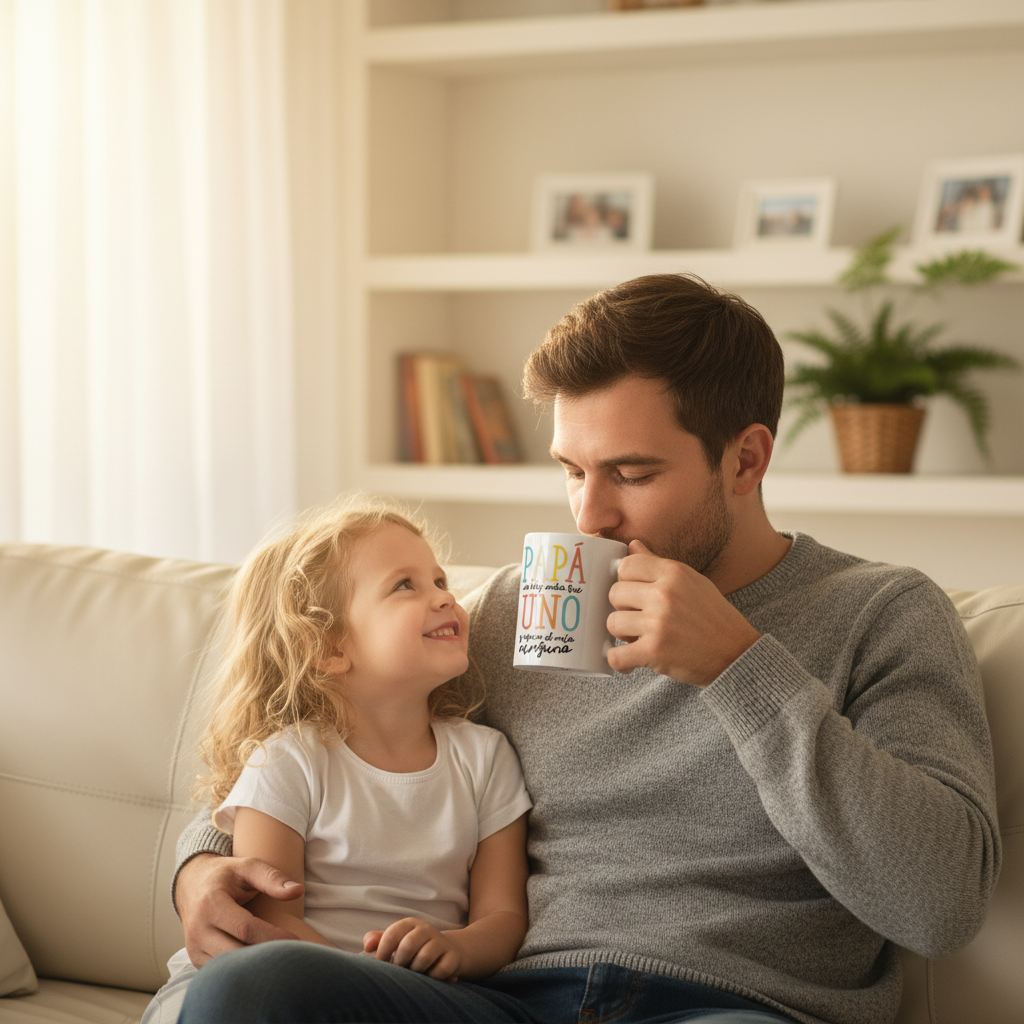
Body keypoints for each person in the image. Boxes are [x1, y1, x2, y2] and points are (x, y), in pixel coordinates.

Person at [172, 274, 1000, 1024]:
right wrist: (205, 872)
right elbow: (328, 729)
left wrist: (740, 667)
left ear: (744, 459)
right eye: (573, 469)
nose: (589, 517)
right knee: (248, 991)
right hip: (504, 1001)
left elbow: (940, 903)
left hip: (732, 1006)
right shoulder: (518, 609)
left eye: (632, 475)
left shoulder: (880, 614)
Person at [144, 498, 531, 1024]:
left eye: (440, 581)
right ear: (328, 648)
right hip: (274, 989)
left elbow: (504, 916)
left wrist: (456, 948)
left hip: (412, 1001)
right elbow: (272, 925)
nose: (444, 598)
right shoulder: (285, 764)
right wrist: (357, 983)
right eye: (406, 585)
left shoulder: (486, 759)